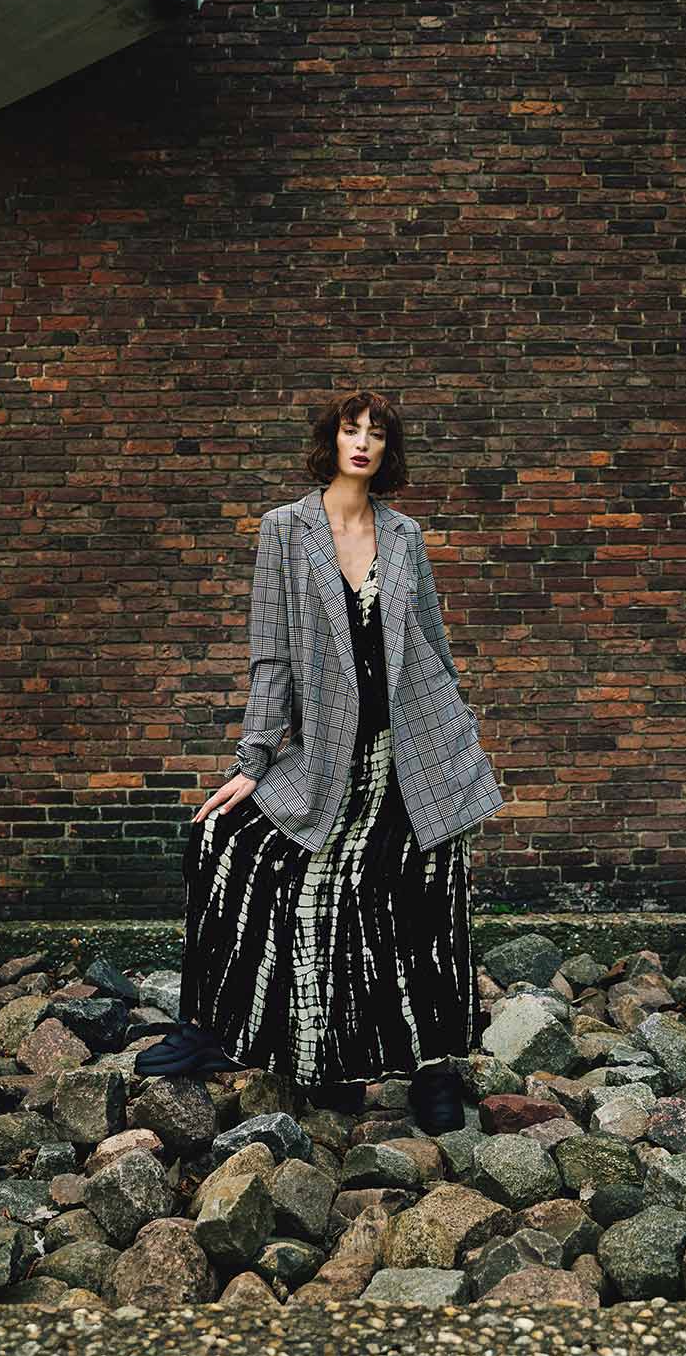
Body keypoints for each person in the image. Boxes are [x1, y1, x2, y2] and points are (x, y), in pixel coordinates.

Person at [135, 389, 504, 1133]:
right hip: (330, 756)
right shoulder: (284, 529)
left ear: (388, 450)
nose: (362, 443)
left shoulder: (405, 535)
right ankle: (215, 1029)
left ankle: (434, 1069)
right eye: (350, 429)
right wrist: (254, 760)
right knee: (221, 842)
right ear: (330, 441)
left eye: (376, 433)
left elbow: (432, 643)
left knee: (421, 903)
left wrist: (456, 737)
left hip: (414, 750)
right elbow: (271, 658)